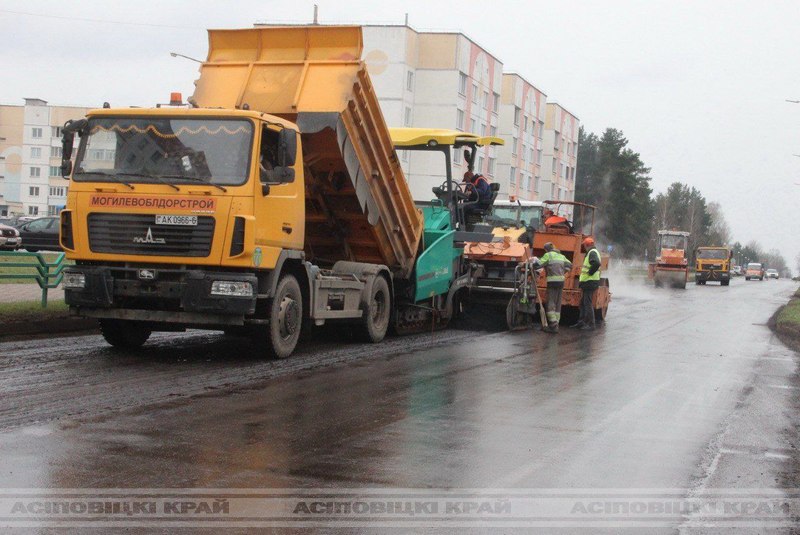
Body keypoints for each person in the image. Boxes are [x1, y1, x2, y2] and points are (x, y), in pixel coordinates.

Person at [539, 242, 572, 333]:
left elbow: (539, 264)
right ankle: (556, 323)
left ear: (546, 249)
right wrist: (563, 272)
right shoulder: (561, 256)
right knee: (558, 303)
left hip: (552, 282)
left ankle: (553, 325)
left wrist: (530, 264)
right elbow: (569, 265)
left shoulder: (548, 255)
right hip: (561, 282)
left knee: (550, 302)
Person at [572, 236, 601, 331]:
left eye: (584, 245)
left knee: (587, 303)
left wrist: (590, 273)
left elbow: (596, 263)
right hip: (588, 282)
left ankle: (591, 324)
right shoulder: (592, 252)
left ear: (587, 245)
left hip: (590, 281)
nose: (583, 247)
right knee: (583, 303)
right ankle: (582, 322)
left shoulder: (592, 252)